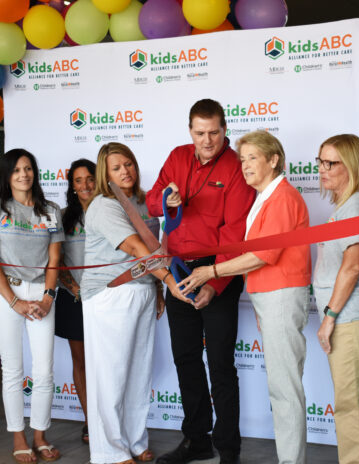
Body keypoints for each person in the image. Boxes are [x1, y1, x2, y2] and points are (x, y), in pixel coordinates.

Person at [179, 130, 311, 464]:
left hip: (281, 296)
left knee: (285, 390)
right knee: (281, 389)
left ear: (274, 160)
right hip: (270, 296)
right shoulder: (265, 197)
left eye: (253, 157)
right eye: (242, 158)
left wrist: (211, 272)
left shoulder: (281, 197)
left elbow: (262, 255)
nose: (245, 165)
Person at [146, 99, 255, 464]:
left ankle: (228, 448)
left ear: (225, 130)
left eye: (213, 132)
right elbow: (150, 202)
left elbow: (235, 231)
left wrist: (216, 283)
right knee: (186, 359)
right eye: (199, 133)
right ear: (189, 130)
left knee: (221, 364)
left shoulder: (237, 166)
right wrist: (166, 199)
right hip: (177, 269)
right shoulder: (178, 156)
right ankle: (196, 441)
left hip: (218, 269)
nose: (207, 140)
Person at [81, 143, 190, 464]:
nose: (125, 171)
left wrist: (157, 290)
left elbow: (157, 244)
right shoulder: (104, 204)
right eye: (116, 168)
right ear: (105, 174)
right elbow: (135, 246)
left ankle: (134, 439)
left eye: (128, 164)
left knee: (138, 373)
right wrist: (170, 282)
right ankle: (109, 451)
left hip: (142, 291)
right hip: (110, 295)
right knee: (111, 373)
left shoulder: (142, 202)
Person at [0, 149, 63, 463]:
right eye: (16, 170)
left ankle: (40, 434)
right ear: (7, 175)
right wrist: (14, 302)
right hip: (8, 294)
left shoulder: (51, 210)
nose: (23, 175)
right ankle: (18, 435)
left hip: (42, 295)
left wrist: (47, 297)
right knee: (13, 370)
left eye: (28, 169)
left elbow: (55, 259)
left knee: (43, 371)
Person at [312, 134, 359, 464]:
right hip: (346, 315)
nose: (322, 169)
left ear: (351, 165)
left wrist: (329, 317)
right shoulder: (349, 203)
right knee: (353, 405)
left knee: (352, 405)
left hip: (348, 317)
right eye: (320, 161)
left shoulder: (357, 203)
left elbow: (353, 265)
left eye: (331, 163)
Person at [55, 158, 96, 445]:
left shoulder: (111, 211)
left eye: (89, 178)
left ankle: (107, 417)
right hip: (74, 298)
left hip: (106, 297)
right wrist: (74, 287)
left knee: (105, 362)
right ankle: (89, 420)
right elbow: (55, 261)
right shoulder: (62, 216)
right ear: (72, 186)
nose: (85, 185)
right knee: (81, 361)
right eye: (78, 180)